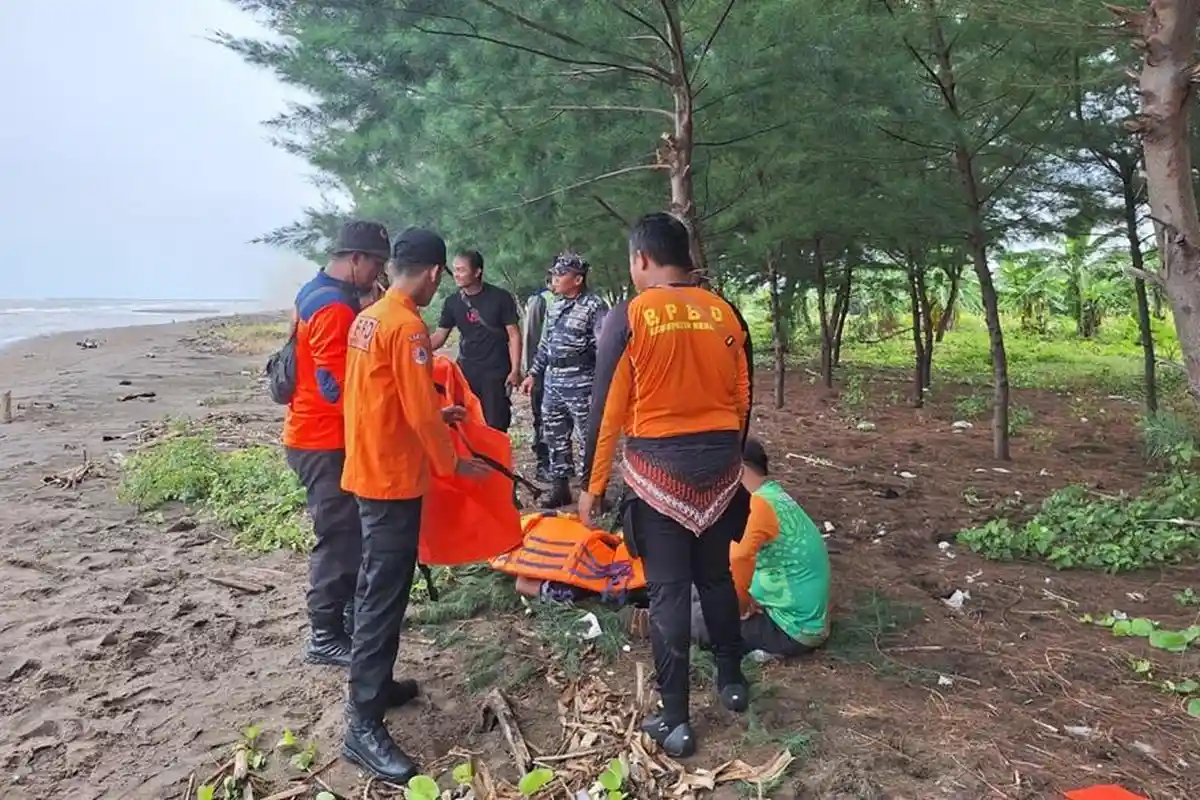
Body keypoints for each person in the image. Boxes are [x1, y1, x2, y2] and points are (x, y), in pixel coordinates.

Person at [578, 213, 754, 759]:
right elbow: (744, 401)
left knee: (668, 592)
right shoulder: (726, 311)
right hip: (722, 470)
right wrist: (730, 462)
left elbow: (606, 408)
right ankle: (731, 681)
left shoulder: (630, 315)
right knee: (717, 578)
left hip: (659, 477)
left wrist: (594, 483)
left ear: (642, 260)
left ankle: (674, 716)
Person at [340, 228, 488, 782]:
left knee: (379, 587)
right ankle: (362, 725)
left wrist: (435, 414)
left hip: (368, 467)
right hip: (390, 482)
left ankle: (375, 690)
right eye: (441, 277)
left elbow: (389, 395)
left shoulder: (369, 317)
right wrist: (452, 462)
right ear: (433, 273)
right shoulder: (408, 327)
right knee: (382, 596)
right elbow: (420, 412)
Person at [281, 219, 391, 668]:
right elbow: (335, 386)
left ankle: (343, 617)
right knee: (339, 536)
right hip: (321, 439)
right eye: (376, 265)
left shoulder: (314, 291)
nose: (378, 275)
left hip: (315, 435)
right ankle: (324, 635)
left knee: (350, 532)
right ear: (356, 260)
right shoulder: (333, 308)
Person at [691, 437, 831, 658]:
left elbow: (738, 559)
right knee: (701, 587)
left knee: (695, 617)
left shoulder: (757, 505)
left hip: (790, 629)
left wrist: (739, 607)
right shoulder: (774, 497)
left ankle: (646, 622)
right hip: (794, 613)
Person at [519, 253, 608, 508]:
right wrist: (534, 374)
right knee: (555, 436)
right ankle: (560, 489)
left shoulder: (594, 306)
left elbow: (602, 349)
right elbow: (546, 345)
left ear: (577, 279)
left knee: (587, 438)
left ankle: (592, 492)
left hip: (582, 383)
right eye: (554, 274)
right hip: (553, 383)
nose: (554, 279)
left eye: (561, 274)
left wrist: (602, 384)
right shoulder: (555, 305)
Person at [430, 250, 522, 431]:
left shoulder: (500, 297)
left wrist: (515, 369)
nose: (456, 274)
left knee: (495, 422)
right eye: (455, 270)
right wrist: (414, 345)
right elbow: (439, 337)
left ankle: (496, 459)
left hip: (496, 372)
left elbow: (514, 335)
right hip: (466, 372)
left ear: (477, 271)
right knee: (467, 421)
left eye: (462, 270)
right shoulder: (452, 302)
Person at [522, 277, 554, 482]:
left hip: (564, 376)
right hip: (541, 372)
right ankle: (543, 465)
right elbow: (531, 337)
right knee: (541, 420)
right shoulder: (540, 300)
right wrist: (531, 372)